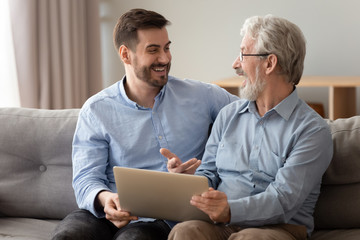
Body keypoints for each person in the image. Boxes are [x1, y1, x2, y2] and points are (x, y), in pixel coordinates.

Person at [51, 8, 238, 240]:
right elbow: (86, 178)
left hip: (160, 220)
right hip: (105, 213)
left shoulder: (204, 96)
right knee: (69, 236)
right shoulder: (96, 109)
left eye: (167, 47)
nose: (165, 58)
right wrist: (105, 199)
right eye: (153, 50)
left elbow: (253, 117)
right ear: (125, 54)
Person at [161, 15, 333, 240]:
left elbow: (283, 200)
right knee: (185, 231)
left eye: (243, 54)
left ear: (270, 63)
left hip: (280, 228)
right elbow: (209, 174)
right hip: (221, 223)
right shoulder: (228, 116)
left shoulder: (311, 131)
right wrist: (188, 182)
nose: (235, 64)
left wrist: (231, 210)